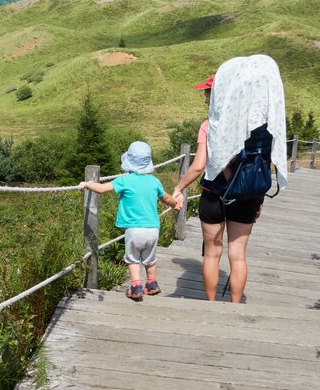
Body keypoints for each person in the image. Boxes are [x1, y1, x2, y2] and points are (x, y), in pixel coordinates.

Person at [172, 55, 287, 303]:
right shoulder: (259, 128)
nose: (204, 98)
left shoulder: (210, 126)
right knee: (238, 255)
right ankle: (235, 306)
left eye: (207, 93)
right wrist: (258, 200)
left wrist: (179, 187)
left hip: (214, 195)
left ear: (220, 95)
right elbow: (263, 167)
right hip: (246, 196)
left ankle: (211, 304)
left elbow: (198, 166)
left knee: (212, 254)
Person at [79, 141, 180, 301]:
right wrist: (175, 204)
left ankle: (135, 287)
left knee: (133, 259)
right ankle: (152, 284)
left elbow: (102, 188)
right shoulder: (154, 181)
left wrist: (87, 184)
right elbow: (166, 198)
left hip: (134, 229)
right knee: (150, 259)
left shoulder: (124, 180)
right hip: (153, 228)